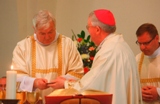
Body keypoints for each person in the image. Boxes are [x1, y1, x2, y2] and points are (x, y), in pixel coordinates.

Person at [51, 9, 142, 104]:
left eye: (88, 27)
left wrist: (65, 84)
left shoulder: (109, 51)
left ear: (97, 29)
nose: (88, 31)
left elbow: (90, 87)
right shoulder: (121, 45)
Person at [11, 10, 84, 102]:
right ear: (34, 29)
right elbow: (16, 77)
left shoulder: (67, 44)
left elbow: (77, 73)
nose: (47, 37)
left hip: (62, 101)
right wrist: (34, 82)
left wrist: (64, 82)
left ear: (55, 27)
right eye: (42, 33)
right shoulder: (23, 47)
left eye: (50, 32)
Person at [135, 23, 160, 104]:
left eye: (146, 43)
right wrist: (138, 92)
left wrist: (158, 93)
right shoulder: (137, 59)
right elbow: (131, 85)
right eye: (139, 43)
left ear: (157, 38)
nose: (142, 47)